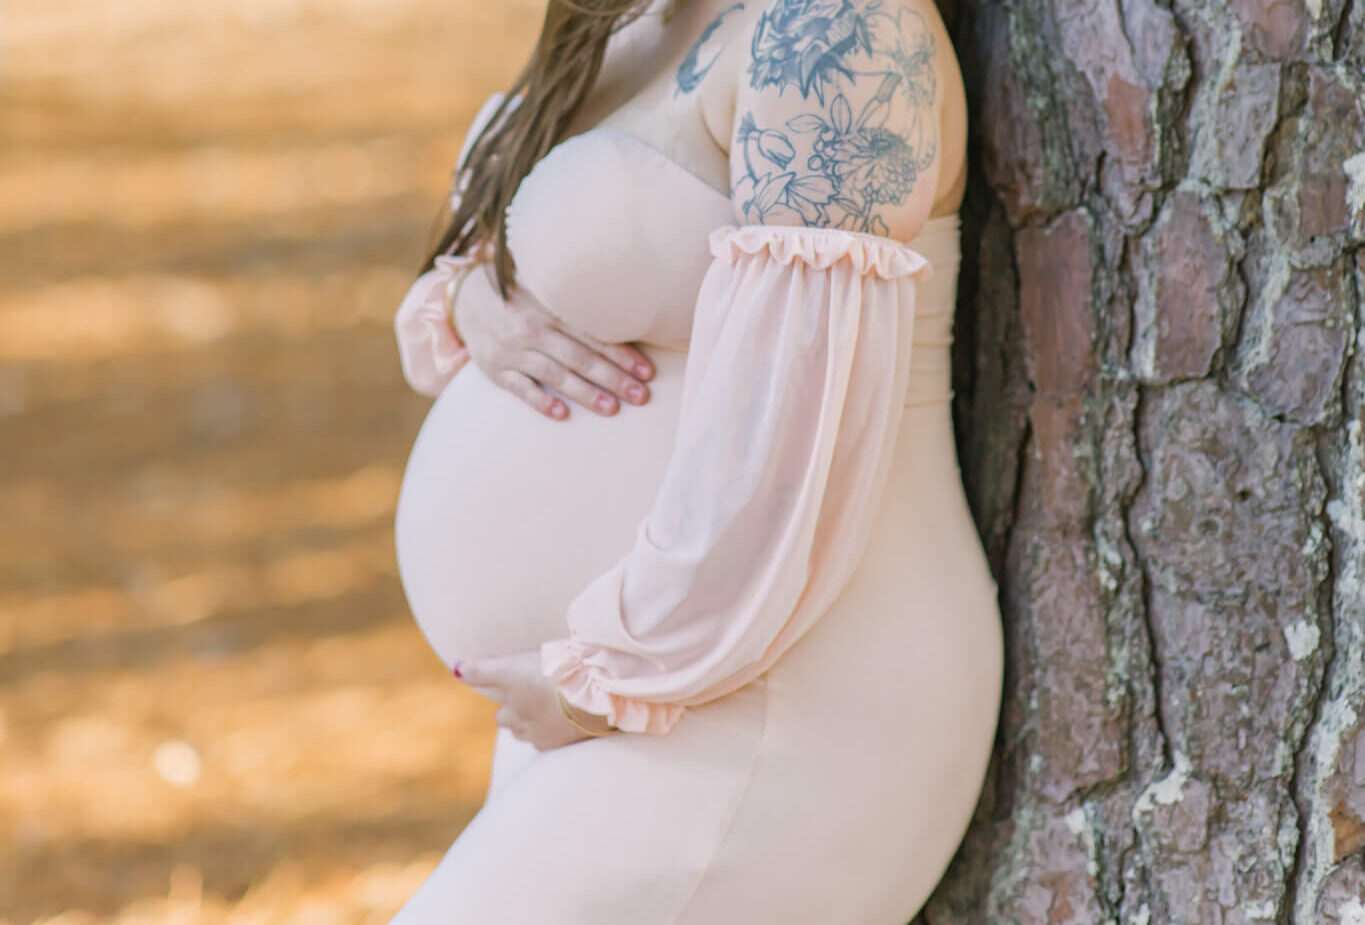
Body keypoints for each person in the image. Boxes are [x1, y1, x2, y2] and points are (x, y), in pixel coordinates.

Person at [388, 0, 1003, 920]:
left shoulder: (842, 32)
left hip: (766, 695)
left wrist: (613, 679)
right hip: (617, 684)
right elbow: (547, 248)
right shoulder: (634, 17)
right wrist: (479, 296)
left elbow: (798, 438)